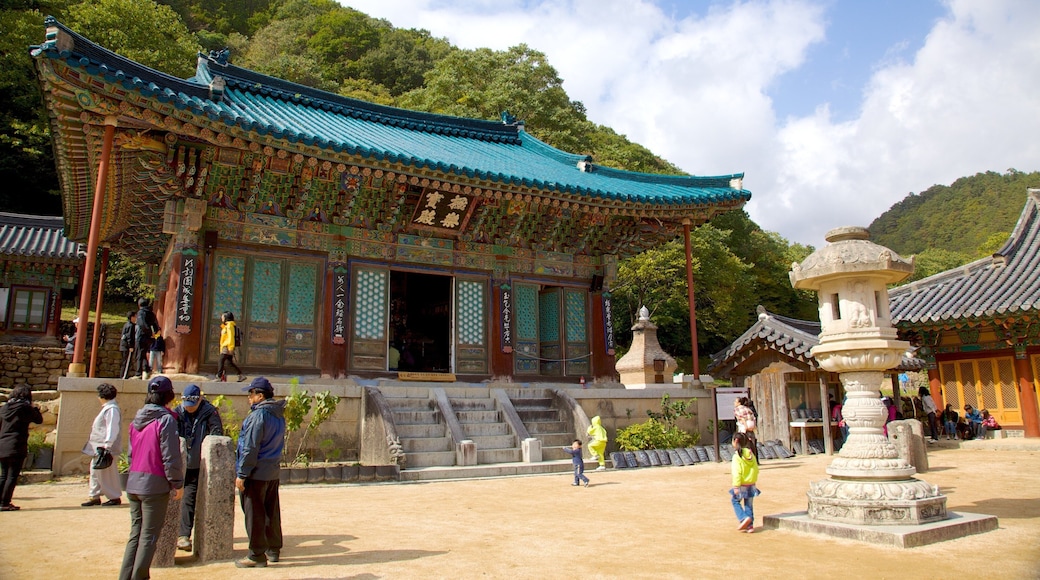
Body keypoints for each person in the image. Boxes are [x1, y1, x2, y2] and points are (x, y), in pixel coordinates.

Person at [120, 376, 184, 580]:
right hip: (154, 484)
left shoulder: (136, 421)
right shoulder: (165, 420)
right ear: (169, 395)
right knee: (149, 536)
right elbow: (170, 455)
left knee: (135, 534)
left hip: (134, 483)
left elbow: (131, 454)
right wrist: (177, 482)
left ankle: (126, 576)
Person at [236, 377, 285, 568]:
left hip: (256, 472)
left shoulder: (258, 416)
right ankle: (273, 549)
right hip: (272, 470)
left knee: (254, 513)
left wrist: (242, 474)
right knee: (271, 512)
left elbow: (250, 447)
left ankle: (256, 554)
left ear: (260, 395)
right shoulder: (278, 414)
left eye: (251, 394)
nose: (249, 398)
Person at [173, 384, 223, 552]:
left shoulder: (210, 412)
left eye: (193, 405)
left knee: (189, 496)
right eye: (187, 405)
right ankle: (178, 534)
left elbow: (216, 435)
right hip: (179, 464)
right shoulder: (177, 413)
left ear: (200, 399)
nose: (190, 409)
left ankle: (184, 535)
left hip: (198, 464)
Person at [0, 385, 43, 511]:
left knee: (3, 475)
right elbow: (39, 420)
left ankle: (1, 502)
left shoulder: (4, 408)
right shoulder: (25, 408)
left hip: (2, 444)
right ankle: (5, 503)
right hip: (16, 445)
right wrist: (35, 408)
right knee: (12, 476)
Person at [81, 383, 122, 507]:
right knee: (95, 471)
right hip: (98, 446)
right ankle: (94, 495)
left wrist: (107, 445)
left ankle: (114, 496)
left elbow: (112, 428)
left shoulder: (112, 409)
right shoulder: (108, 408)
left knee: (106, 473)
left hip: (104, 447)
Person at [729, 432, 760, 534]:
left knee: (735, 501)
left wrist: (736, 486)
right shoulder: (751, 454)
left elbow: (737, 472)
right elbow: (756, 468)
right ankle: (750, 526)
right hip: (751, 484)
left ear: (735, 441)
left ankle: (743, 518)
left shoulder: (737, 456)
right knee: (749, 505)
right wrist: (753, 480)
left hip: (741, 484)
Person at [135, 298, 160, 380]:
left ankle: (138, 373)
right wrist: (154, 334)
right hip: (149, 338)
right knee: (143, 353)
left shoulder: (141, 313)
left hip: (141, 336)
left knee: (139, 354)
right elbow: (156, 325)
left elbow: (142, 324)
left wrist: (148, 331)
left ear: (139, 305)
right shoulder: (151, 313)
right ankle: (147, 369)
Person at [218, 311, 246, 382]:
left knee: (221, 360)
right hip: (225, 346)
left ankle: (219, 376)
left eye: (223, 316)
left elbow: (231, 337)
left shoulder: (230, 326)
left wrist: (231, 348)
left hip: (227, 347)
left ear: (226, 317)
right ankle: (240, 375)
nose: (222, 318)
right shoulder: (226, 326)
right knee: (229, 362)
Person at [119, 311, 137, 380]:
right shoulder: (131, 326)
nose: (136, 318)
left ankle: (123, 375)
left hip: (123, 346)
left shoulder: (126, 324)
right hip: (127, 347)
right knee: (127, 362)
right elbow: (129, 337)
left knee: (124, 361)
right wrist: (131, 346)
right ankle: (124, 376)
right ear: (132, 317)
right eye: (135, 316)